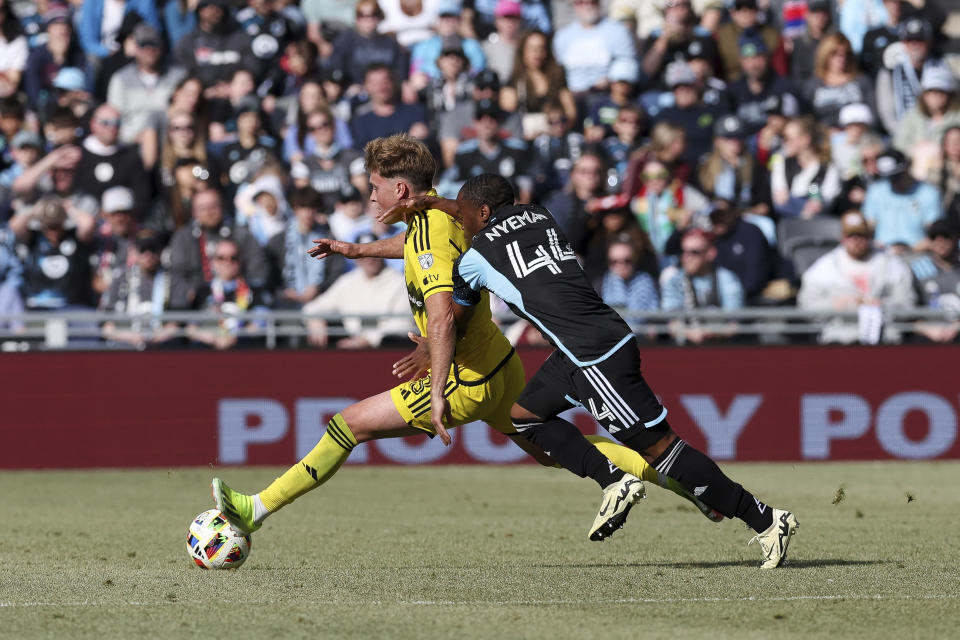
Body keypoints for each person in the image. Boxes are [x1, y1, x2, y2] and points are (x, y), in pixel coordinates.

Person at [211, 135, 715, 544]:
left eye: (375, 187)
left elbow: (442, 317)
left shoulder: (427, 235)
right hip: (502, 362)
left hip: (466, 378)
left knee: (348, 425)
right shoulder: (440, 217)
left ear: (401, 190)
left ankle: (256, 509)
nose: (370, 196)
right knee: (558, 448)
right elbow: (413, 248)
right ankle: (695, 488)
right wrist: (353, 248)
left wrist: (434, 385)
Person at [414, 173, 797, 568]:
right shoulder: (539, 215)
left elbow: (450, 321)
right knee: (524, 417)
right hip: (582, 347)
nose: (458, 220)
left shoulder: (473, 260)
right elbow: (482, 211)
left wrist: (430, 347)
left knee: (662, 451)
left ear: (483, 212)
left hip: (592, 355)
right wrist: (434, 202)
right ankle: (614, 479)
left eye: (462, 214)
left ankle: (766, 520)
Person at [798, 210, 915, 344]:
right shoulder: (823, 269)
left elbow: (908, 304)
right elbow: (806, 308)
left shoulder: (892, 265)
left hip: (884, 339)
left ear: (870, 237)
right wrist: (836, 305)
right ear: (842, 238)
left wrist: (883, 305)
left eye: (861, 235)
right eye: (851, 235)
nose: (856, 240)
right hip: (839, 339)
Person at [302, 231, 413, 348]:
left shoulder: (399, 282)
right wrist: (315, 321)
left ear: (382, 255)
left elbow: (403, 324)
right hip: (352, 348)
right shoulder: (347, 282)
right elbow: (312, 308)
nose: (369, 260)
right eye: (363, 255)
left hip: (389, 348)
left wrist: (368, 340)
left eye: (373, 255)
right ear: (355, 258)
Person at [100, 229, 179, 348]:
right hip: (125, 345)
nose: (148, 254)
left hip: (161, 347)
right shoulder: (120, 278)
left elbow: (176, 326)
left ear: (160, 250)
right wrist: (130, 337)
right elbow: (107, 327)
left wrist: (152, 338)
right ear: (134, 251)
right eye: (142, 249)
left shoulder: (173, 280)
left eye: (152, 248)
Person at [862, 148, 942, 251]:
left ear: (907, 166)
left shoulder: (929, 193)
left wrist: (912, 250)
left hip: (918, 253)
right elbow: (868, 225)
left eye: (896, 176)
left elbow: (934, 232)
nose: (893, 182)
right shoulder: (875, 191)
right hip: (882, 252)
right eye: (888, 177)